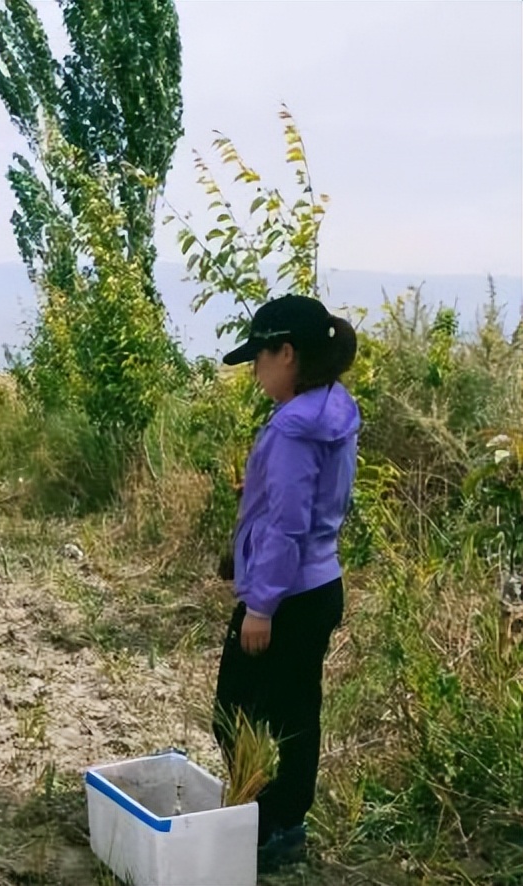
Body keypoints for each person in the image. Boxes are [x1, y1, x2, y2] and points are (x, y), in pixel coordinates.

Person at [213, 294, 360, 870]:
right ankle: (284, 824)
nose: (255, 369)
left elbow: (288, 525)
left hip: (288, 595)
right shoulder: (333, 407)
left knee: (236, 711)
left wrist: (261, 605)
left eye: (260, 357)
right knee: (296, 712)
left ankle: (263, 822)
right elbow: (305, 505)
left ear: (288, 353)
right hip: (320, 585)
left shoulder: (296, 427)